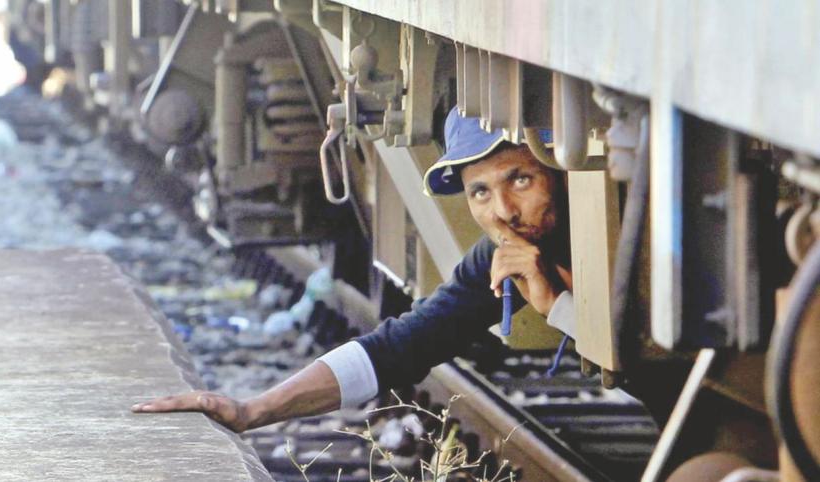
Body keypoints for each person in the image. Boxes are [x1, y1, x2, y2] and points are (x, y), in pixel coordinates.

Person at [131, 107, 575, 432]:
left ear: (560, 169)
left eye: (521, 179)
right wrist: (252, 411)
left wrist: (556, 307)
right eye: (479, 192)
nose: (503, 212)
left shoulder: (625, 239)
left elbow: (646, 365)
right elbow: (398, 348)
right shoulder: (500, 254)